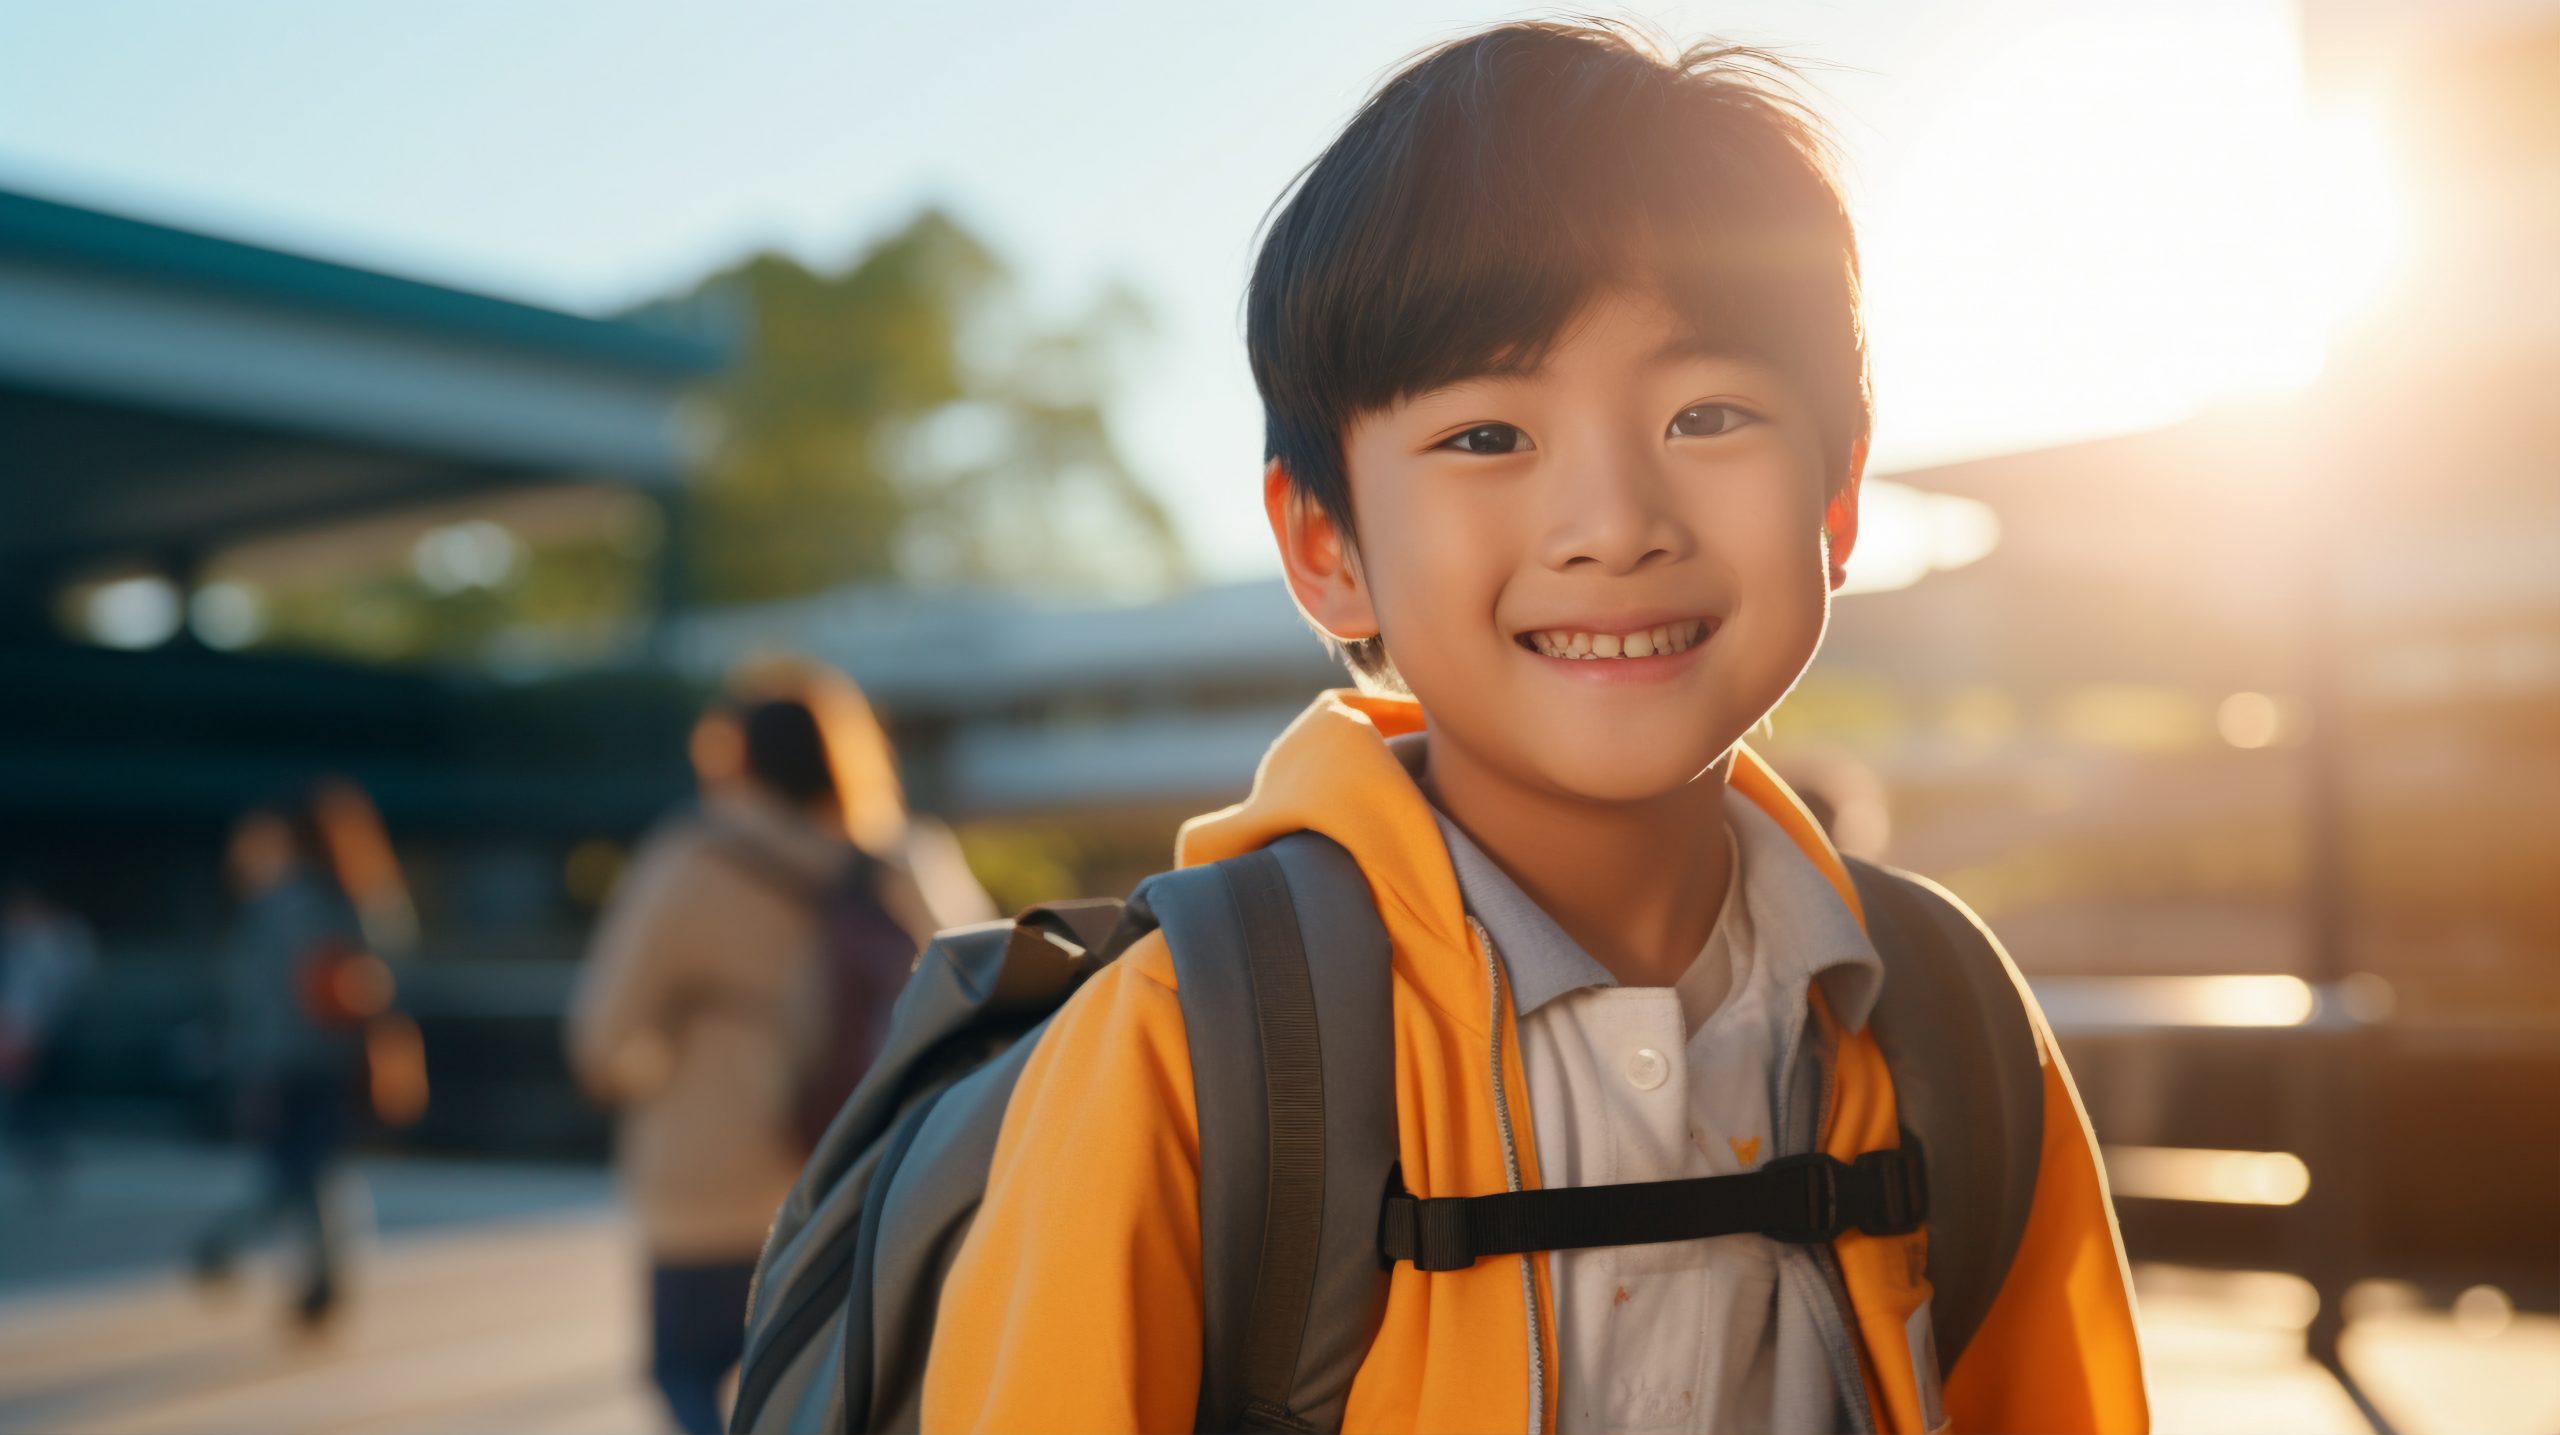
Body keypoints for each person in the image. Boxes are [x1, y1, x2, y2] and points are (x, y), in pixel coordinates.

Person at [921, 22, 2147, 1434]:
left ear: (1838, 499)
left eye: (1710, 412)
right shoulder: (1187, 1052)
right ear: (1326, 542)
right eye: (1490, 436)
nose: (1615, 524)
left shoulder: (1948, 1024)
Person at [571, 664, 988, 1435]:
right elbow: (984, 1006)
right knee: (845, 1392)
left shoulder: (690, 862)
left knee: (687, 1372)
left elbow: (601, 1038)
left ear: (735, 757)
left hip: (708, 1178)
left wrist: (667, 1061)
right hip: (867, 1176)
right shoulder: (906, 859)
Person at [192, 790, 391, 1329]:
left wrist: (249, 1065)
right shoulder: (357, 896)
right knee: (318, 1170)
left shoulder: (277, 904)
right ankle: (323, 1276)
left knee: (289, 1171)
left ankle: (228, 1247)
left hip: (286, 1061)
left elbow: (257, 995)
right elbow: (384, 976)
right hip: (339, 1057)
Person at [0, 879, 97, 1197]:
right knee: (32, 1097)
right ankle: (39, 1149)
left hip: (37, 1029)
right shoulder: (44, 942)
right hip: (36, 1028)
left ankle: (42, 1150)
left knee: (35, 1096)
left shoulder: (49, 943)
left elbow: (32, 993)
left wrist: (22, 1031)